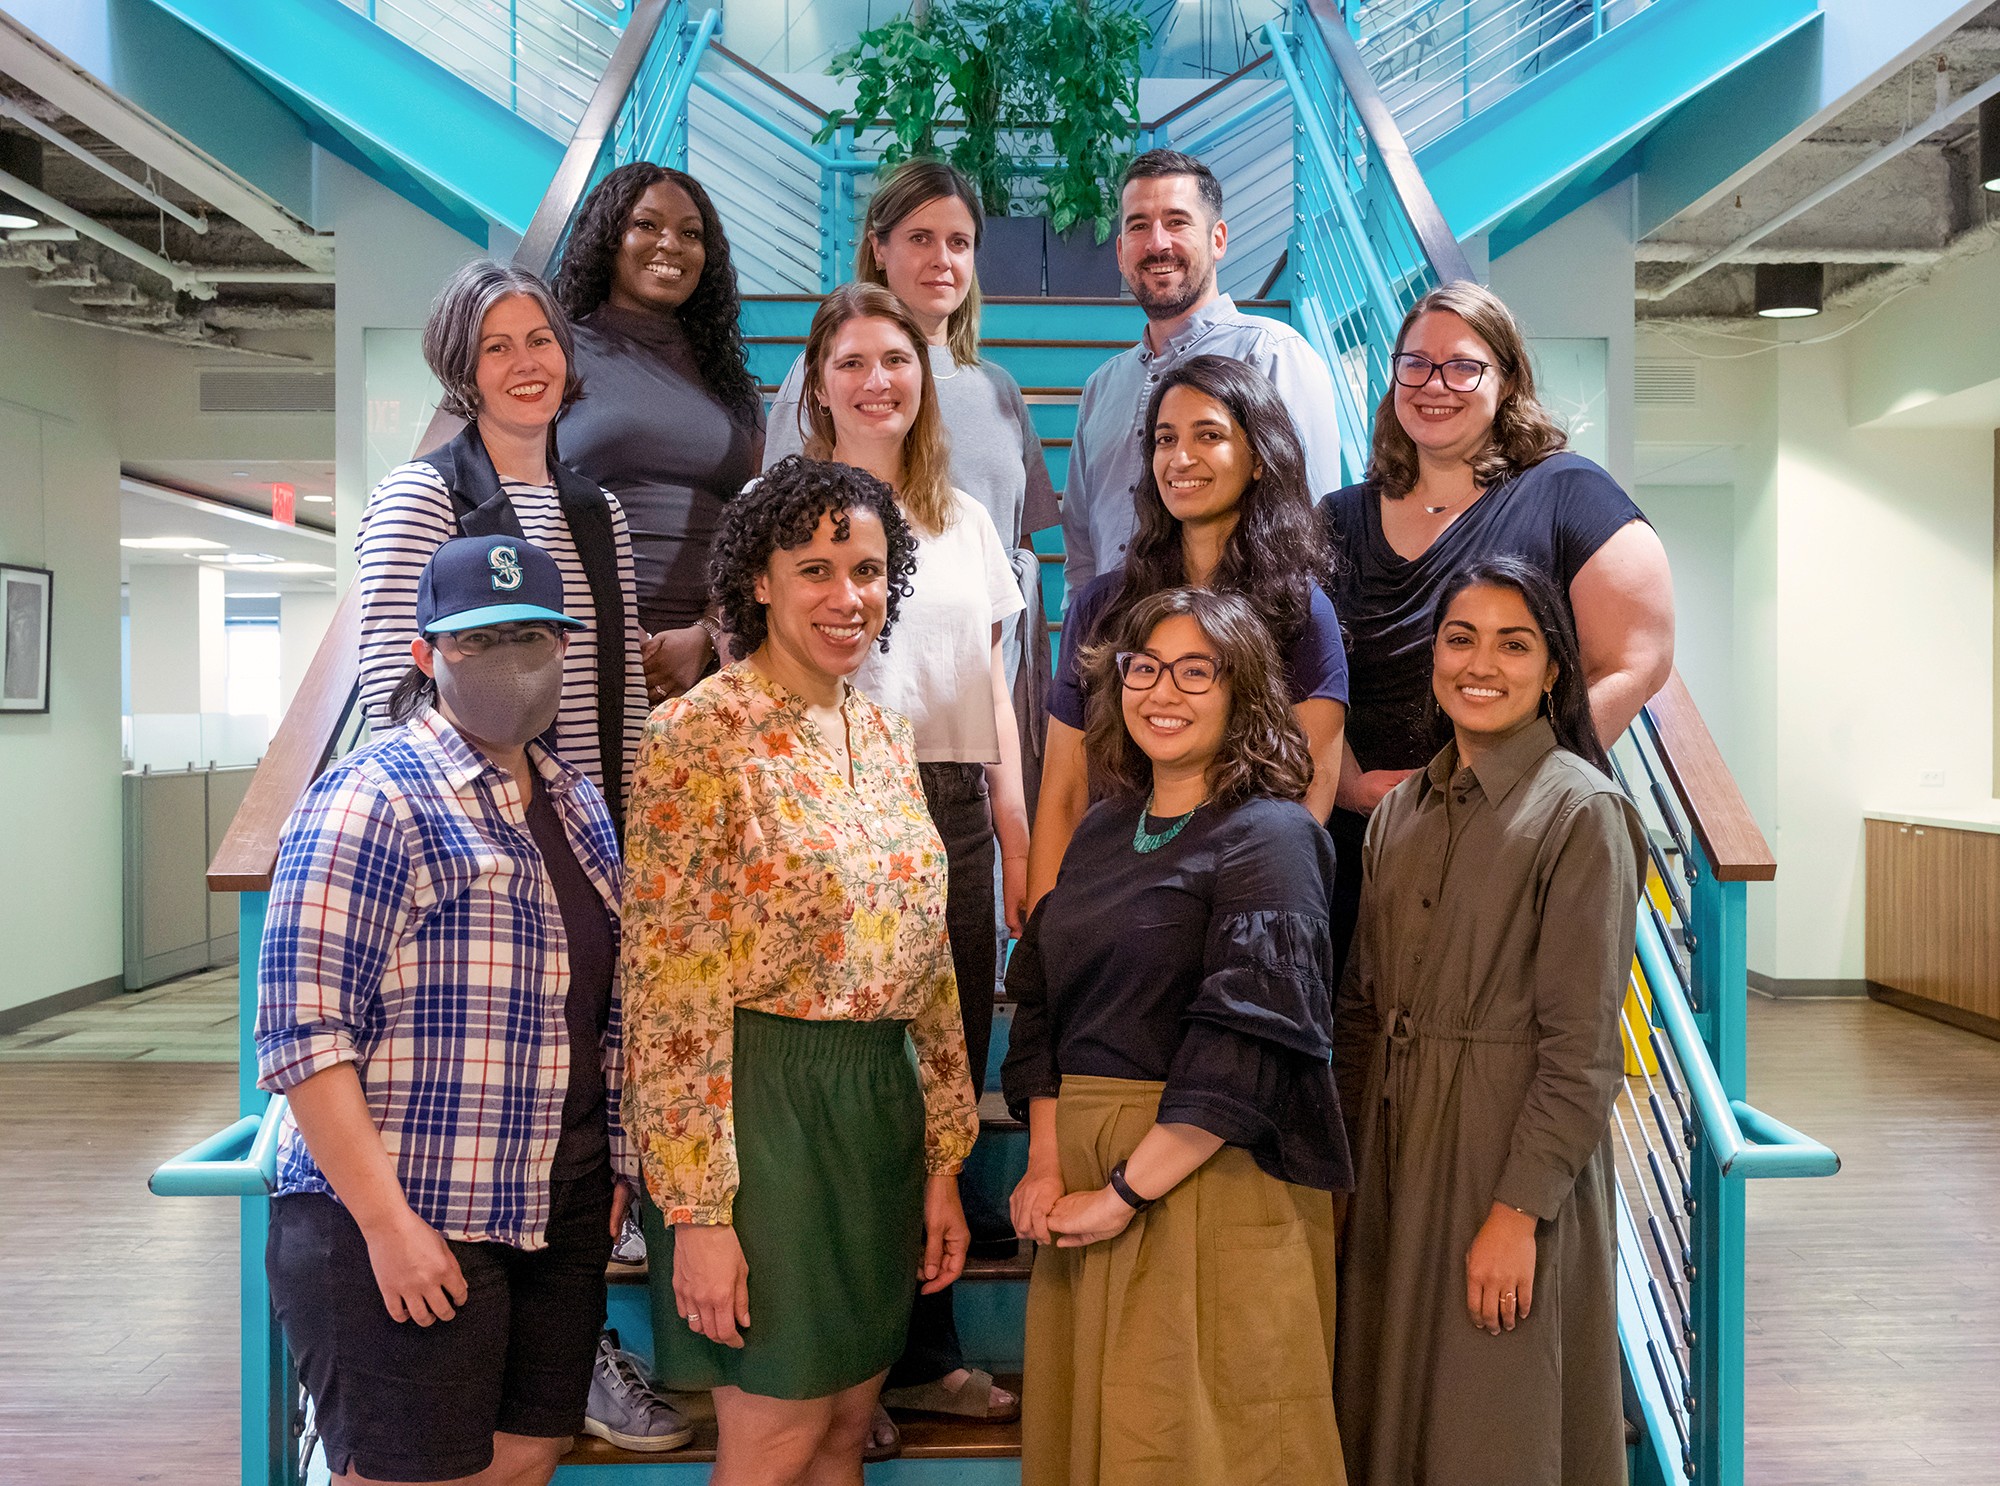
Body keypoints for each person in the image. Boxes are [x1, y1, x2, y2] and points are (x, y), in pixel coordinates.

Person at [256, 535, 691, 1486]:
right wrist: (385, 1225)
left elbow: (601, 1003)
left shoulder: (576, 802)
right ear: (425, 654)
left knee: (529, 1456)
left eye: (536, 636)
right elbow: (302, 1036)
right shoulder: (370, 799)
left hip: (555, 1204)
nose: (514, 662)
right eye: (480, 640)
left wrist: (610, 1160)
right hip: (410, 1205)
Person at [620, 457, 981, 1486]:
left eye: (866, 570)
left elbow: (931, 969)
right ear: (761, 582)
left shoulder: (884, 733)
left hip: (875, 1113)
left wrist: (944, 1163)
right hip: (760, 1114)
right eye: (814, 567)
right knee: (774, 1438)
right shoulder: (697, 734)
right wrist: (695, 1212)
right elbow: (666, 990)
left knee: (841, 1427)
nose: (845, 596)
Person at [1002, 586, 1351, 1486]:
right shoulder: (1105, 825)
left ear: (1244, 691)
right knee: (1094, 1444)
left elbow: (1250, 1044)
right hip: (1083, 1171)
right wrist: (1046, 1163)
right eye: (1145, 668)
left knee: (1195, 1449)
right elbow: (1040, 997)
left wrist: (1122, 1193)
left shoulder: (1272, 834)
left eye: (1198, 671)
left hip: (1203, 1179)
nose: (1165, 690)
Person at [1333, 555, 1646, 1486]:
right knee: (1391, 1407)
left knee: (1491, 1422)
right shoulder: (1401, 814)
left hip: (1506, 1160)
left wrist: (1518, 1212)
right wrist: (1349, 1179)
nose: (1482, 664)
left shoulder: (1582, 813)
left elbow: (1583, 1050)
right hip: (1398, 1152)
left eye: (1516, 645)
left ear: (1555, 669)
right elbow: (1359, 1009)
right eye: (1460, 638)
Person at [792, 281, 1029, 1440]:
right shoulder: (781, 509)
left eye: (897, 358)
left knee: (941, 1092)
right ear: (816, 380)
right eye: (851, 361)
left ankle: (920, 1352)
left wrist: (1015, 824)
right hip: (833, 809)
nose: (877, 379)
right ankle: (849, 1357)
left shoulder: (964, 520)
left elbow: (992, 689)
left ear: (924, 377)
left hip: (951, 807)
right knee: (856, 1094)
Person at [1319, 279, 1673, 971]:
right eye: (1415, 364)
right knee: (1367, 1051)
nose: (1434, 384)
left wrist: (1502, 784)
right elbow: (1305, 673)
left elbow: (1639, 657)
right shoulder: (1338, 517)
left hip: (1514, 838)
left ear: (1507, 381)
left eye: (1463, 366)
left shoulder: (1567, 493)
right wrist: (1348, 785)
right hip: (1366, 839)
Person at [763, 158, 1060, 800]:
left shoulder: (1001, 390)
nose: (941, 260)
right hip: (858, 714)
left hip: (978, 701)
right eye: (920, 239)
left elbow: (1020, 547)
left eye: (959, 242)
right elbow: (776, 544)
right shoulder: (824, 379)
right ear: (878, 247)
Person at [1027, 353, 1348, 909]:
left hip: (1236, 905)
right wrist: (1043, 940)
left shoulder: (1299, 611)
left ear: (1258, 459)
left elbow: (1309, 792)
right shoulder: (1103, 606)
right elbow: (1064, 791)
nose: (1181, 458)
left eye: (1209, 435)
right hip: (1106, 897)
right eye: (1164, 438)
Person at [355, 259, 648, 826]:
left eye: (541, 340)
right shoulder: (419, 497)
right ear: (463, 371)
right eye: (497, 348)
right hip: (476, 825)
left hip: (597, 823)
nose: (527, 363)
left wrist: (633, 822)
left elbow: (627, 691)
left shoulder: (600, 510)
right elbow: (393, 690)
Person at [1063, 149, 1342, 592]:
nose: (1157, 244)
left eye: (1177, 221)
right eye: (1139, 226)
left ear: (1217, 239)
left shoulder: (1271, 354)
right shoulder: (1102, 387)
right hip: (1114, 652)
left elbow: (1308, 533)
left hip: (1234, 648)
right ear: (1120, 252)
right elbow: (1081, 551)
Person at [551, 163, 766, 703]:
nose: (671, 244)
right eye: (646, 225)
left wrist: (708, 634)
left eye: (691, 234)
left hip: (709, 664)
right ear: (608, 239)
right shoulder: (557, 351)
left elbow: (760, 527)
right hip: (578, 644)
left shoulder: (729, 378)